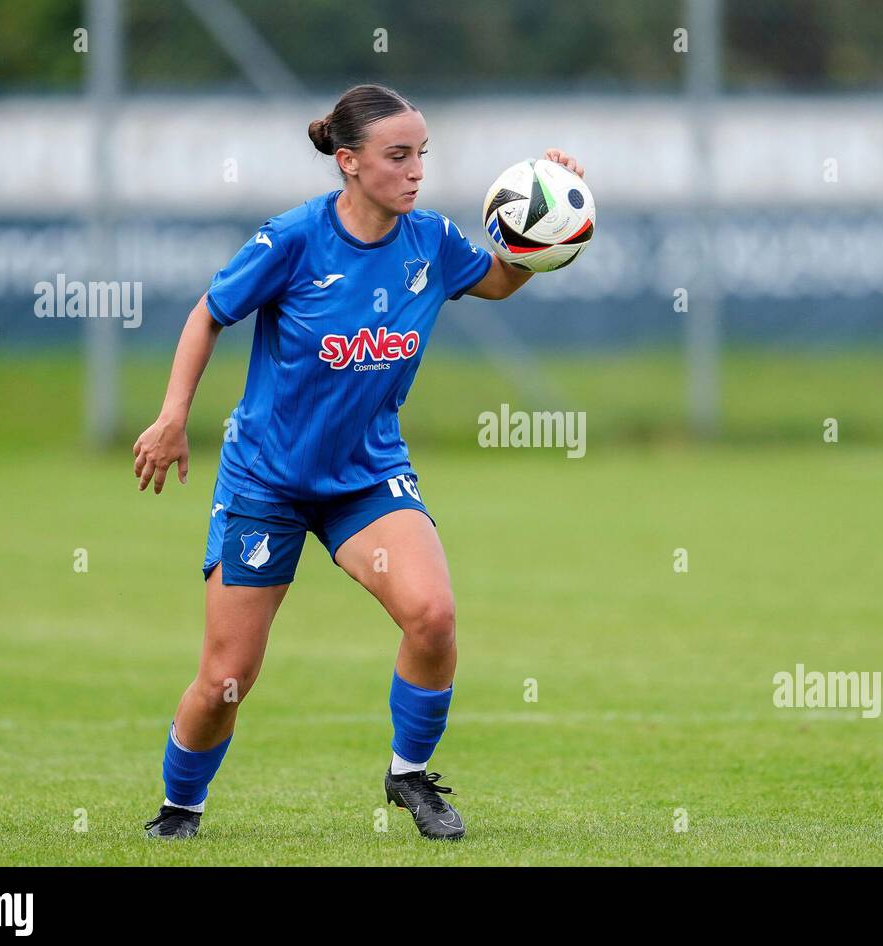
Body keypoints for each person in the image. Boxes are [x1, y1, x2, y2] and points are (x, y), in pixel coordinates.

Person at [131, 83, 584, 841]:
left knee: (433, 617)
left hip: (366, 479)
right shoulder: (295, 240)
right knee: (225, 680)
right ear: (348, 162)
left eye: (422, 156)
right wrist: (173, 415)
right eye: (397, 156)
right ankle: (181, 809)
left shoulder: (432, 242)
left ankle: (409, 775)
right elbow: (209, 313)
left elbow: (501, 280)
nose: (415, 172)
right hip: (266, 484)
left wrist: (549, 211)